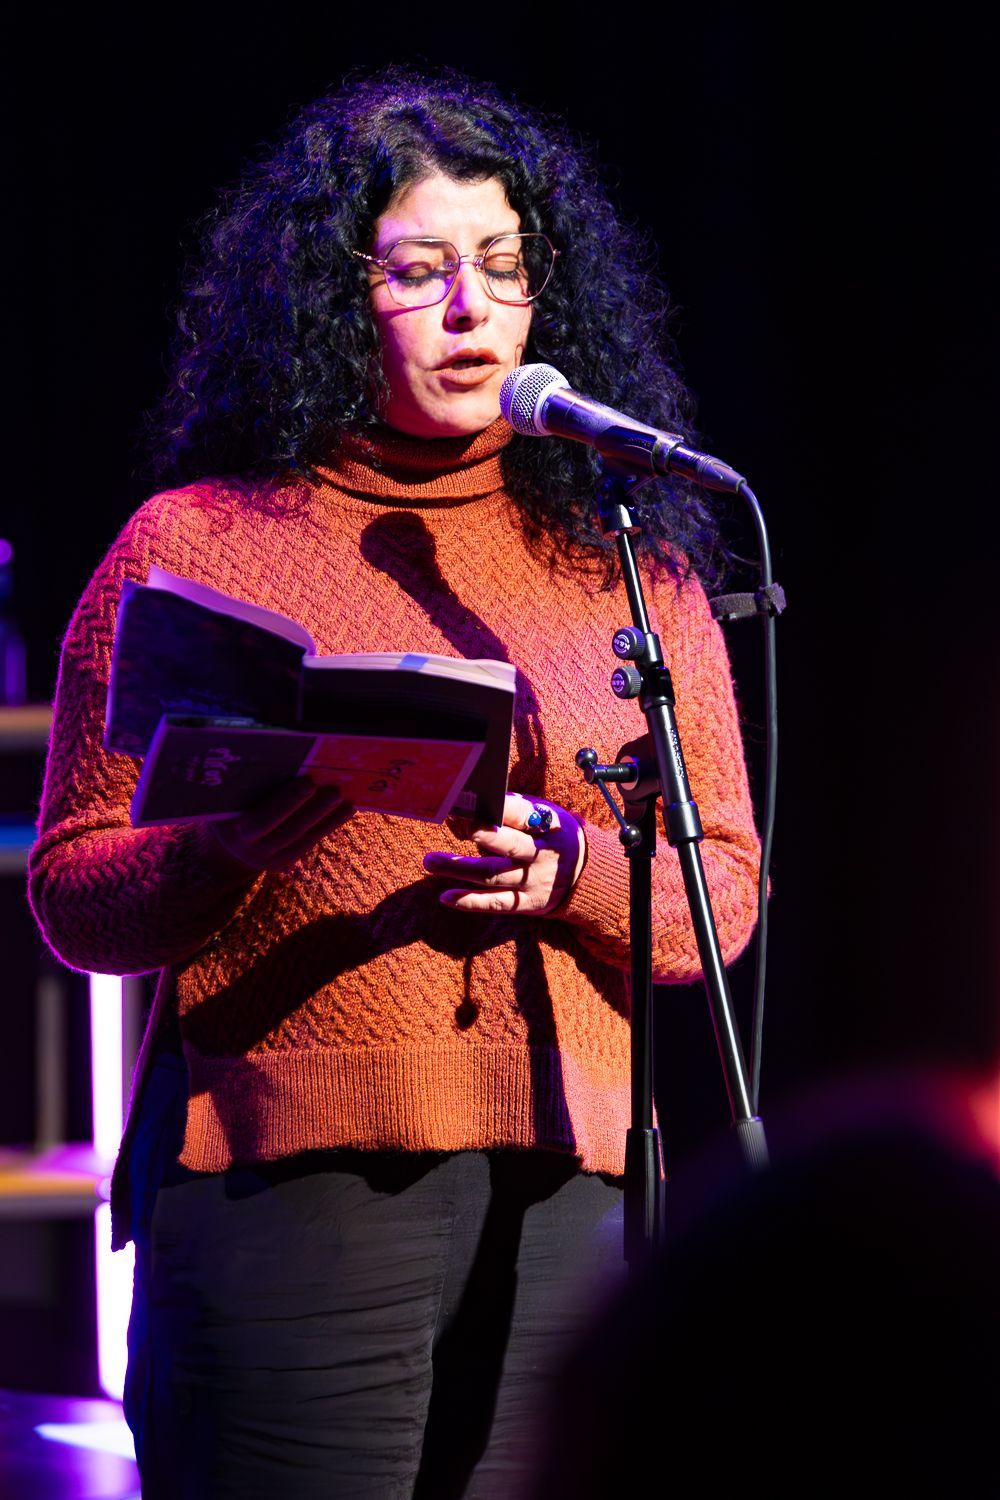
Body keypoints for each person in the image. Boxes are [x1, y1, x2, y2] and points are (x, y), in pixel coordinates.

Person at [28, 68, 760, 1498]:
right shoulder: (195, 543)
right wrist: (231, 844)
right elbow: (72, 899)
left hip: (568, 1181)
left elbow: (722, 893)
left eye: (501, 267)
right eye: (419, 272)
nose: (472, 310)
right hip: (285, 1194)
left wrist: (574, 878)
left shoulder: (624, 558)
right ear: (332, 297)